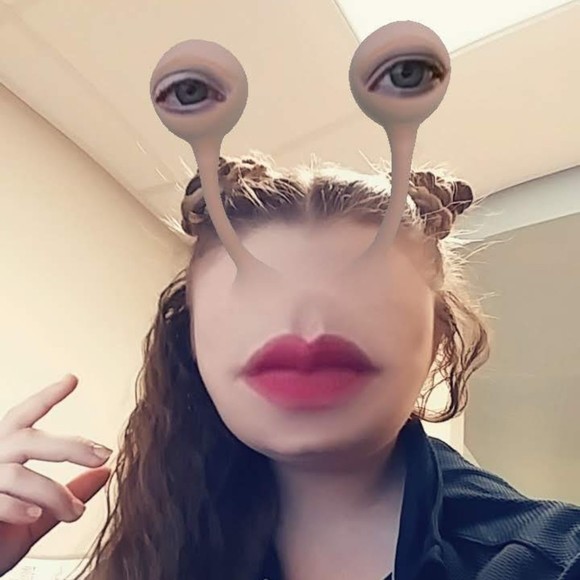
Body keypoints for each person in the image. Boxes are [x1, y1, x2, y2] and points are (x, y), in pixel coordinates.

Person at [0, 154, 579, 580]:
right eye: (252, 293)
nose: (308, 324)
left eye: (362, 290)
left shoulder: (556, 560)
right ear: (192, 343)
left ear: (436, 343)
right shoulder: (153, 549)